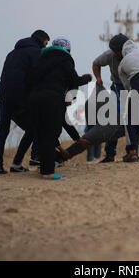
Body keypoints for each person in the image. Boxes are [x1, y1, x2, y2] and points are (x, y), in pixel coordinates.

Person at [26, 36, 92, 180]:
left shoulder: (41, 58)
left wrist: (77, 139)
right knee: (50, 135)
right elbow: (74, 80)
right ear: (67, 50)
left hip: (34, 98)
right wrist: (87, 78)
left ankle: (45, 170)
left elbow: (30, 78)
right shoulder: (65, 59)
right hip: (52, 98)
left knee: (42, 135)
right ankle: (49, 173)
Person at [0, 30, 50, 175]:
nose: (46, 46)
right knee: (37, 125)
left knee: (3, 130)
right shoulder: (36, 53)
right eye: (46, 43)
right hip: (20, 97)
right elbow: (38, 76)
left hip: (4, 96)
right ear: (41, 41)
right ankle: (31, 159)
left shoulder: (11, 54)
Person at [63, 92, 139, 160]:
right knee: (91, 102)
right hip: (114, 110)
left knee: (87, 139)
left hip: (118, 125)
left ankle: (62, 156)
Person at [92, 33, 128, 163]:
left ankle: (132, 151)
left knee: (133, 118)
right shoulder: (109, 55)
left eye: (117, 51)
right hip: (117, 86)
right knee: (113, 118)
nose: (116, 54)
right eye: (114, 51)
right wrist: (99, 78)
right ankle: (110, 154)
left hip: (132, 87)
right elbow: (96, 63)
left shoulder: (132, 55)